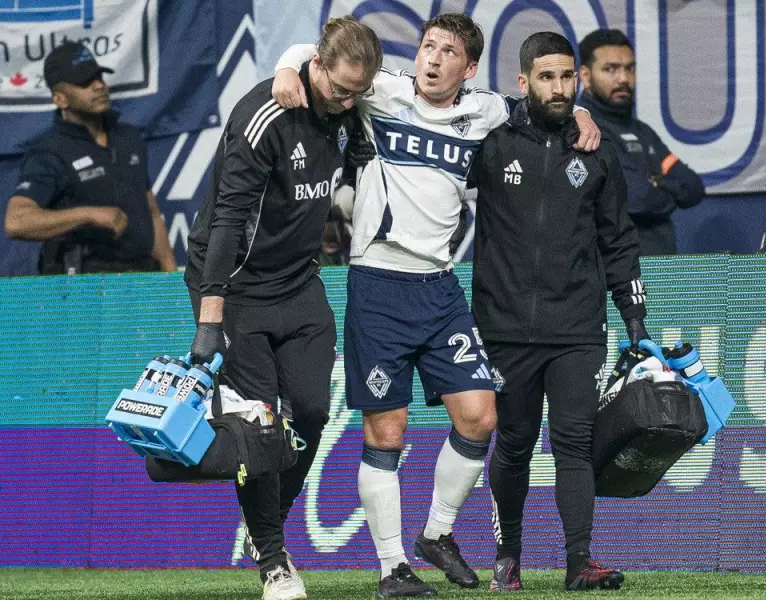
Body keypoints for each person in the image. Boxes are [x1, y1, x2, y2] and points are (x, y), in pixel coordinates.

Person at [271, 13, 600, 598]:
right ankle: (392, 566)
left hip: (440, 287)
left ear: (468, 68)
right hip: (378, 282)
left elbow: (541, 104)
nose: (433, 58)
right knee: (387, 429)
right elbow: (310, 50)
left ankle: (437, 533)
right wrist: (283, 71)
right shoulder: (382, 90)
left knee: (480, 416)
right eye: (428, 46)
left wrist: (583, 113)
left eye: (448, 52)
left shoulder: (487, 111)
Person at [183, 16, 382, 600]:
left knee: (314, 411)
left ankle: (266, 522)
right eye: (339, 90)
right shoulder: (265, 115)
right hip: (236, 286)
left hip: (298, 283)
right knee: (259, 424)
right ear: (316, 65)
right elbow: (226, 221)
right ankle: (274, 561)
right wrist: (210, 321)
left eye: (358, 93)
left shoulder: (349, 107)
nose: (347, 102)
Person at [468, 32, 649, 592]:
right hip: (504, 326)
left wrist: (633, 312)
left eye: (567, 76)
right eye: (546, 77)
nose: (559, 87)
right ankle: (508, 557)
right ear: (523, 82)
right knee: (514, 443)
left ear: (578, 79)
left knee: (574, 441)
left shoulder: (597, 150)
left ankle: (579, 562)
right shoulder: (490, 142)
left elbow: (617, 237)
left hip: (577, 326)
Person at [3, 41, 175, 274]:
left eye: (99, 77)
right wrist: (88, 215)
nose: (99, 86)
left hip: (139, 281)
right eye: (85, 82)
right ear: (60, 99)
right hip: (84, 286)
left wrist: (171, 275)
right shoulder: (50, 152)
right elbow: (16, 221)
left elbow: (151, 211)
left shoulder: (128, 137)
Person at [577, 29, 705, 256]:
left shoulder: (644, 132)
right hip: (613, 271)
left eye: (630, 68)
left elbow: (692, 188)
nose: (623, 79)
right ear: (586, 77)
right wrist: (661, 184)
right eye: (610, 69)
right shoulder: (585, 129)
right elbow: (640, 198)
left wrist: (656, 182)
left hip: (662, 268)